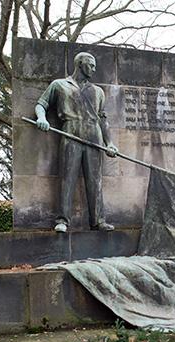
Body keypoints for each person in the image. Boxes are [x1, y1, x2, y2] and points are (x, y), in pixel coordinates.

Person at [35, 52, 118, 233]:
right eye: (91, 65)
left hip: (93, 134)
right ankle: (63, 220)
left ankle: (98, 220)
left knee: (95, 180)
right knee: (68, 177)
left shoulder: (98, 91)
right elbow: (41, 104)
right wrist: (42, 118)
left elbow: (103, 119)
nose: (94, 69)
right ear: (80, 64)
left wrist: (109, 143)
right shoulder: (59, 85)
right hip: (71, 131)